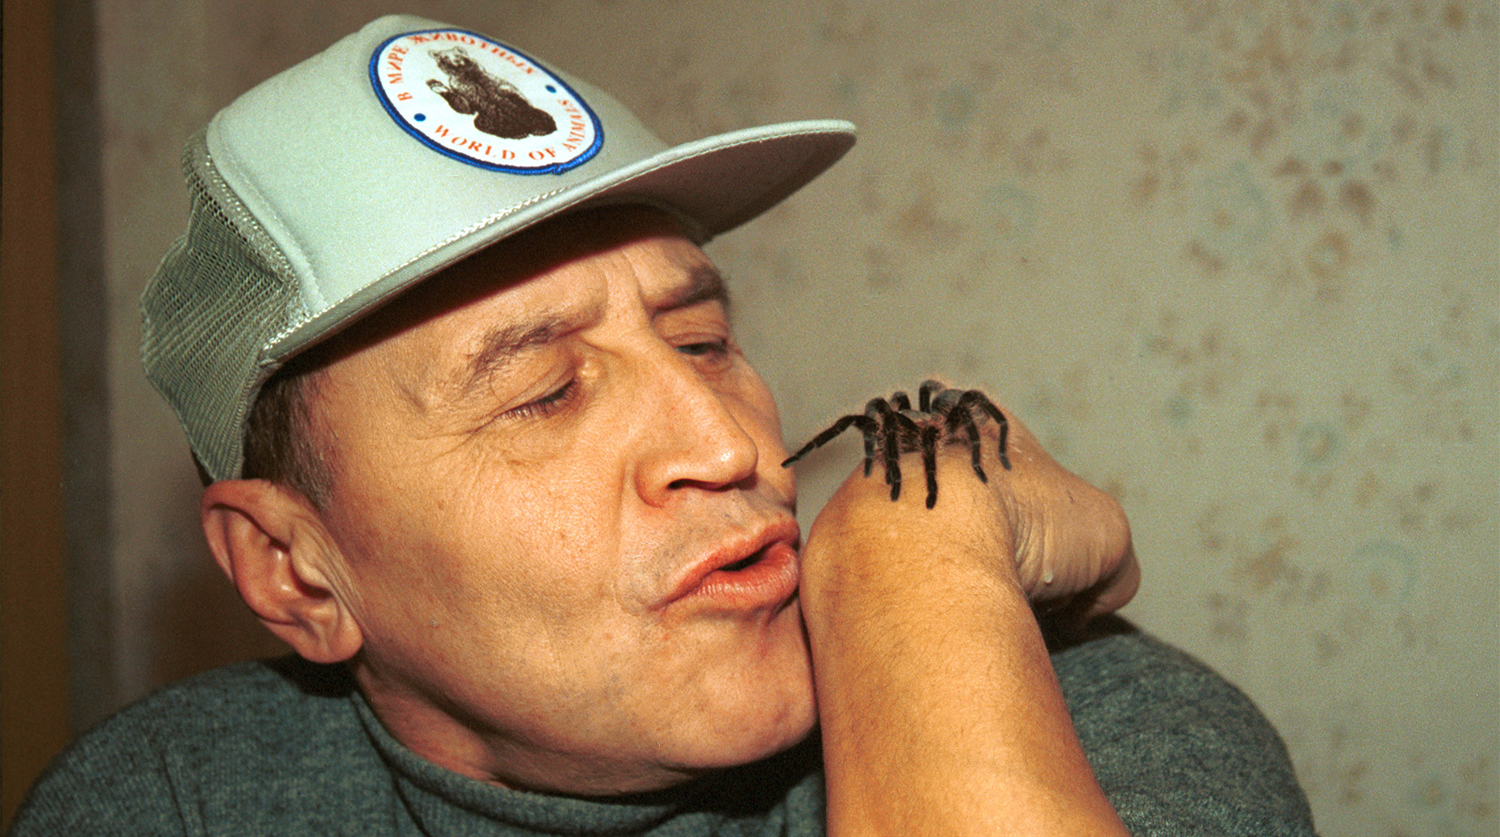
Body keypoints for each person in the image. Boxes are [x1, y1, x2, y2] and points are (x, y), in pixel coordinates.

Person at [10, 14, 1318, 836]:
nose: (726, 441)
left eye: (701, 340)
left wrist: (905, 567)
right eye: (543, 390)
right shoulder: (160, 805)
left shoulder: (1099, 730)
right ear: (298, 572)